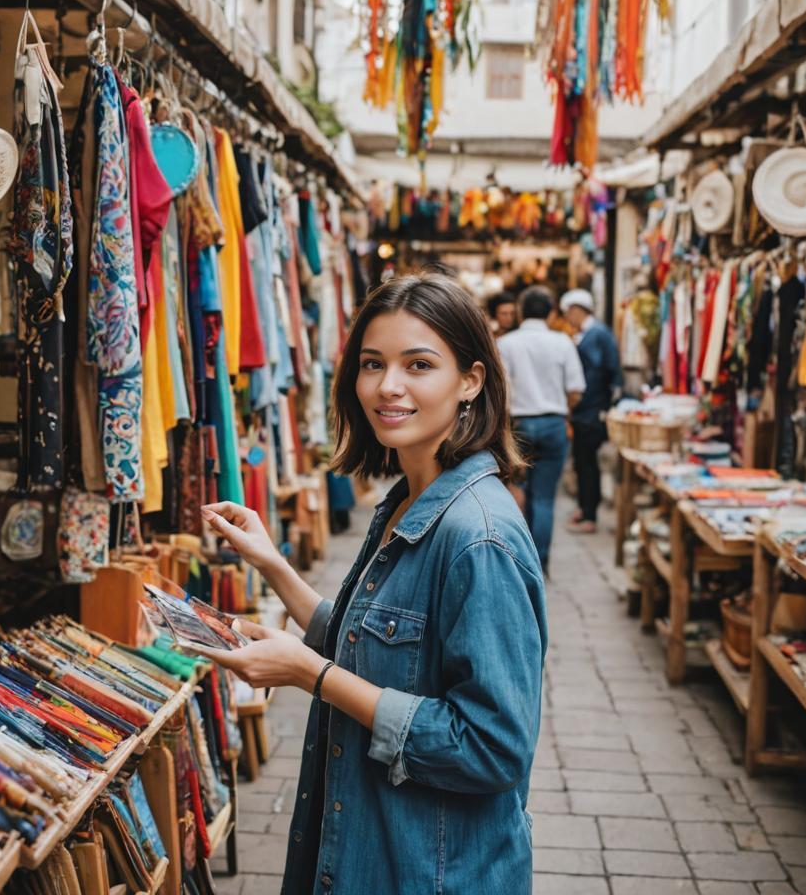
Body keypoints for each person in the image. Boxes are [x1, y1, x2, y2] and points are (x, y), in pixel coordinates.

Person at [198, 273, 547, 895]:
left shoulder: (478, 536)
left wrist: (311, 674)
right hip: (368, 851)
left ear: (470, 380)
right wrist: (273, 566)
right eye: (372, 363)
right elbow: (379, 647)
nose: (388, 386)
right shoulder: (407, 503)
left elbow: (492, 746)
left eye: (419, 364)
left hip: (430, 872)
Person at [497, 286, 585, 569]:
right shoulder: (562, 342)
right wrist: (562, 409)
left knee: (514, 495)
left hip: (519, 424)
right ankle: (540, 563)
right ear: (550, 312)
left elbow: (499, 392)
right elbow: (576, 390)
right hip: (552, 423)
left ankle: (518, 561)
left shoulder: (506, 343)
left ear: (521, 312)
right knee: (545, 498)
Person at [560, 288, 622, 533]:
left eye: (568, 313)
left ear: (577, 310)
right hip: (585, 409)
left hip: (592, 410)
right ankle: (584, 508)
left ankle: (589, 514)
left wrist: (605, 405)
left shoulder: (598, 335)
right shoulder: (587, 334)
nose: (567, 318)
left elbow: (608, 371)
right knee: (582, 461)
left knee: (587, 463)